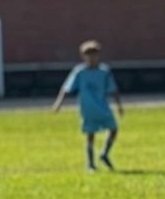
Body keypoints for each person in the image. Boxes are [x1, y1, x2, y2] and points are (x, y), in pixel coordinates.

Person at [52, 40, 123, 171]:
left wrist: (119, 106)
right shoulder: (80, 72)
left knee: (113, 129)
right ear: (83, 56)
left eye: (94, 55)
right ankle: (90, 164)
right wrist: (58, 103)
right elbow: (66, 88)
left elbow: (113, 89)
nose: (92, 58)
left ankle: (104, 154)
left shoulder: (104, 71)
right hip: (88, 108)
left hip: (103, 107)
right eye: (89, 55)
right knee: (90, 134)